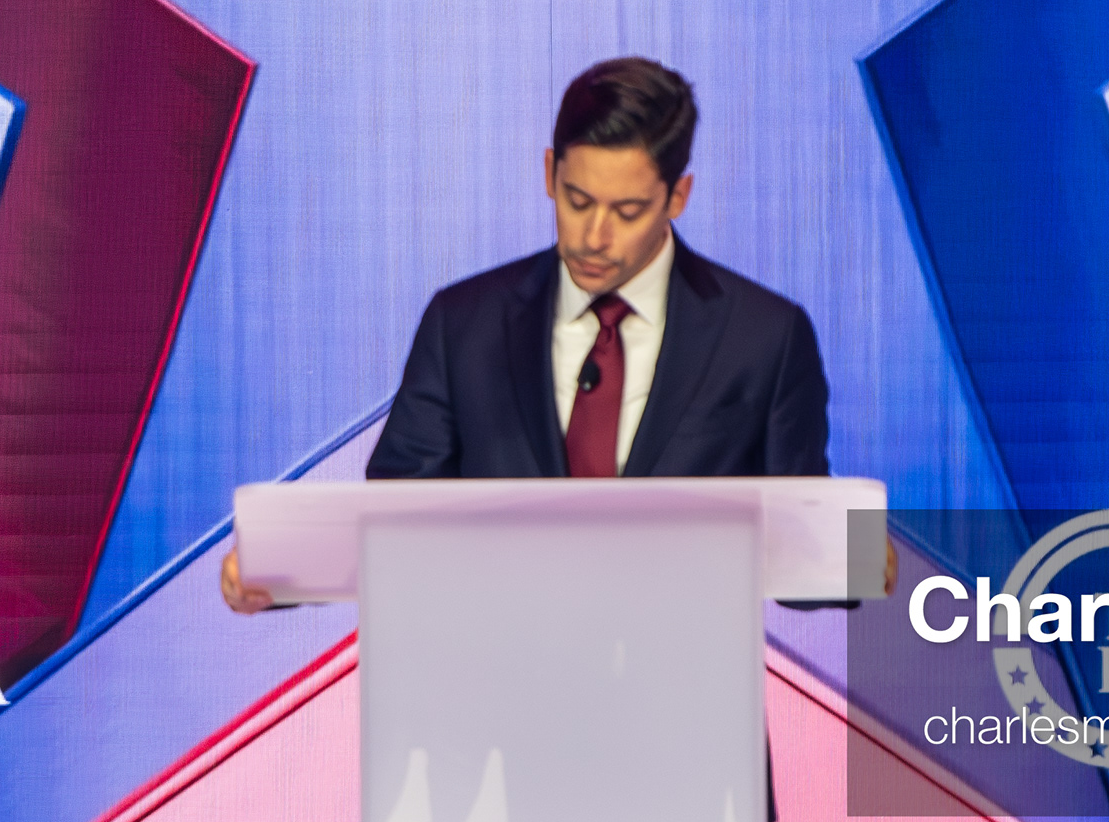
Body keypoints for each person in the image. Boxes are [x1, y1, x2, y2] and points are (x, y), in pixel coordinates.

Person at [222, 56, 830, 613]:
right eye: (577, 199)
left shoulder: (764, 336)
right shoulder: (463, 324)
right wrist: (283, 571)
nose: (594, 236)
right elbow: (399, 519)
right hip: (498, 711)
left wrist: (855, 556)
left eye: (627, 212)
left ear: (678, 197)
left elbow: (804, 539)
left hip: (694, 717)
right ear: (548, 173)